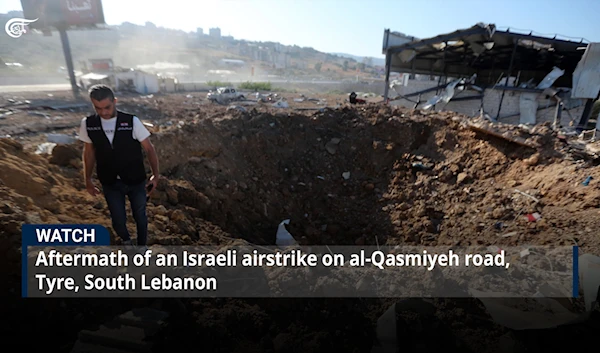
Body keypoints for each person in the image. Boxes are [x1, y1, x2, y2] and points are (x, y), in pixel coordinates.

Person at [79, 84, 159, 247]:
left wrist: (155, 175)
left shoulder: (131, 121)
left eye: (107, 107)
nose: (104, 112)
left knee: (140, 216)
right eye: (98, 108)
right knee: (118, 220)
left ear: (115, 101)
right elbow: (89, 153)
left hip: (135, 180)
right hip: (110, 182)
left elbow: (149, 148)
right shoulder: (88, 124)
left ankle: (142, 248)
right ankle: (127, 242)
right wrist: (87, 179)